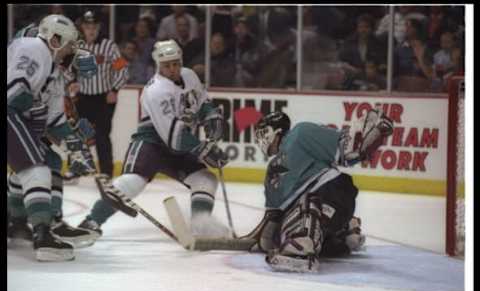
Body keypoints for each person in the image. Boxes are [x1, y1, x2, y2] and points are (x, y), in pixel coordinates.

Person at [78, 40, 230, 240]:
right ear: (159, 65)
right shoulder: (156, 90)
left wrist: (211, 115)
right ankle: (91, 222)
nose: (173, 69)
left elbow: (201, 101)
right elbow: (173, 136)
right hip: (151, 143)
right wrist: (204, 149)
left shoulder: (189, 75)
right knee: (131, 182)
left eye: (176, 63)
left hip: (178, 145)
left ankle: (199, 226)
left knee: (205, 180)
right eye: (167, 65)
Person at [248, 110, 393, 272]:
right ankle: (342, 234)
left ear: (276, 131)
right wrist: (262, 240)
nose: (260, 139)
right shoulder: (271, 171)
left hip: (333, 194)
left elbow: (345, 151)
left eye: (263, 132)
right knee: (283, 231)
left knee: (308, 200)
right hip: (321, 214)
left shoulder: (300, 134)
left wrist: (364, 140)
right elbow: (273, 217)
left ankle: (301, 248)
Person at [7, 14, 97, 261]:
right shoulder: (34, 47)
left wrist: (76, 146)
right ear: (55, 39)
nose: (72, 50)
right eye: (70, 44)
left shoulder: (55, 74)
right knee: (37, 170)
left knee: (50, 162)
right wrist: (34, 108)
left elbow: (55, 121)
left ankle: (19, 223)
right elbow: (15, 92)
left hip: (16, 117)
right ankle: (43, 236)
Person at [76, 10, 129, 177]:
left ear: (99, 27)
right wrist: (71, 82)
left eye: (94, 26)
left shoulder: (109, 46)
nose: (91, 30)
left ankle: (106, 172)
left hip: (103, 99)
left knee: (101, 136)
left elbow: (123, 69)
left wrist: (114, 89)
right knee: (79, 134)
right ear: (82, 27)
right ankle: (78, 168)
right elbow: (69, 68)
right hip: (83, 98)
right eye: (87, 26)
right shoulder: (77, 46)